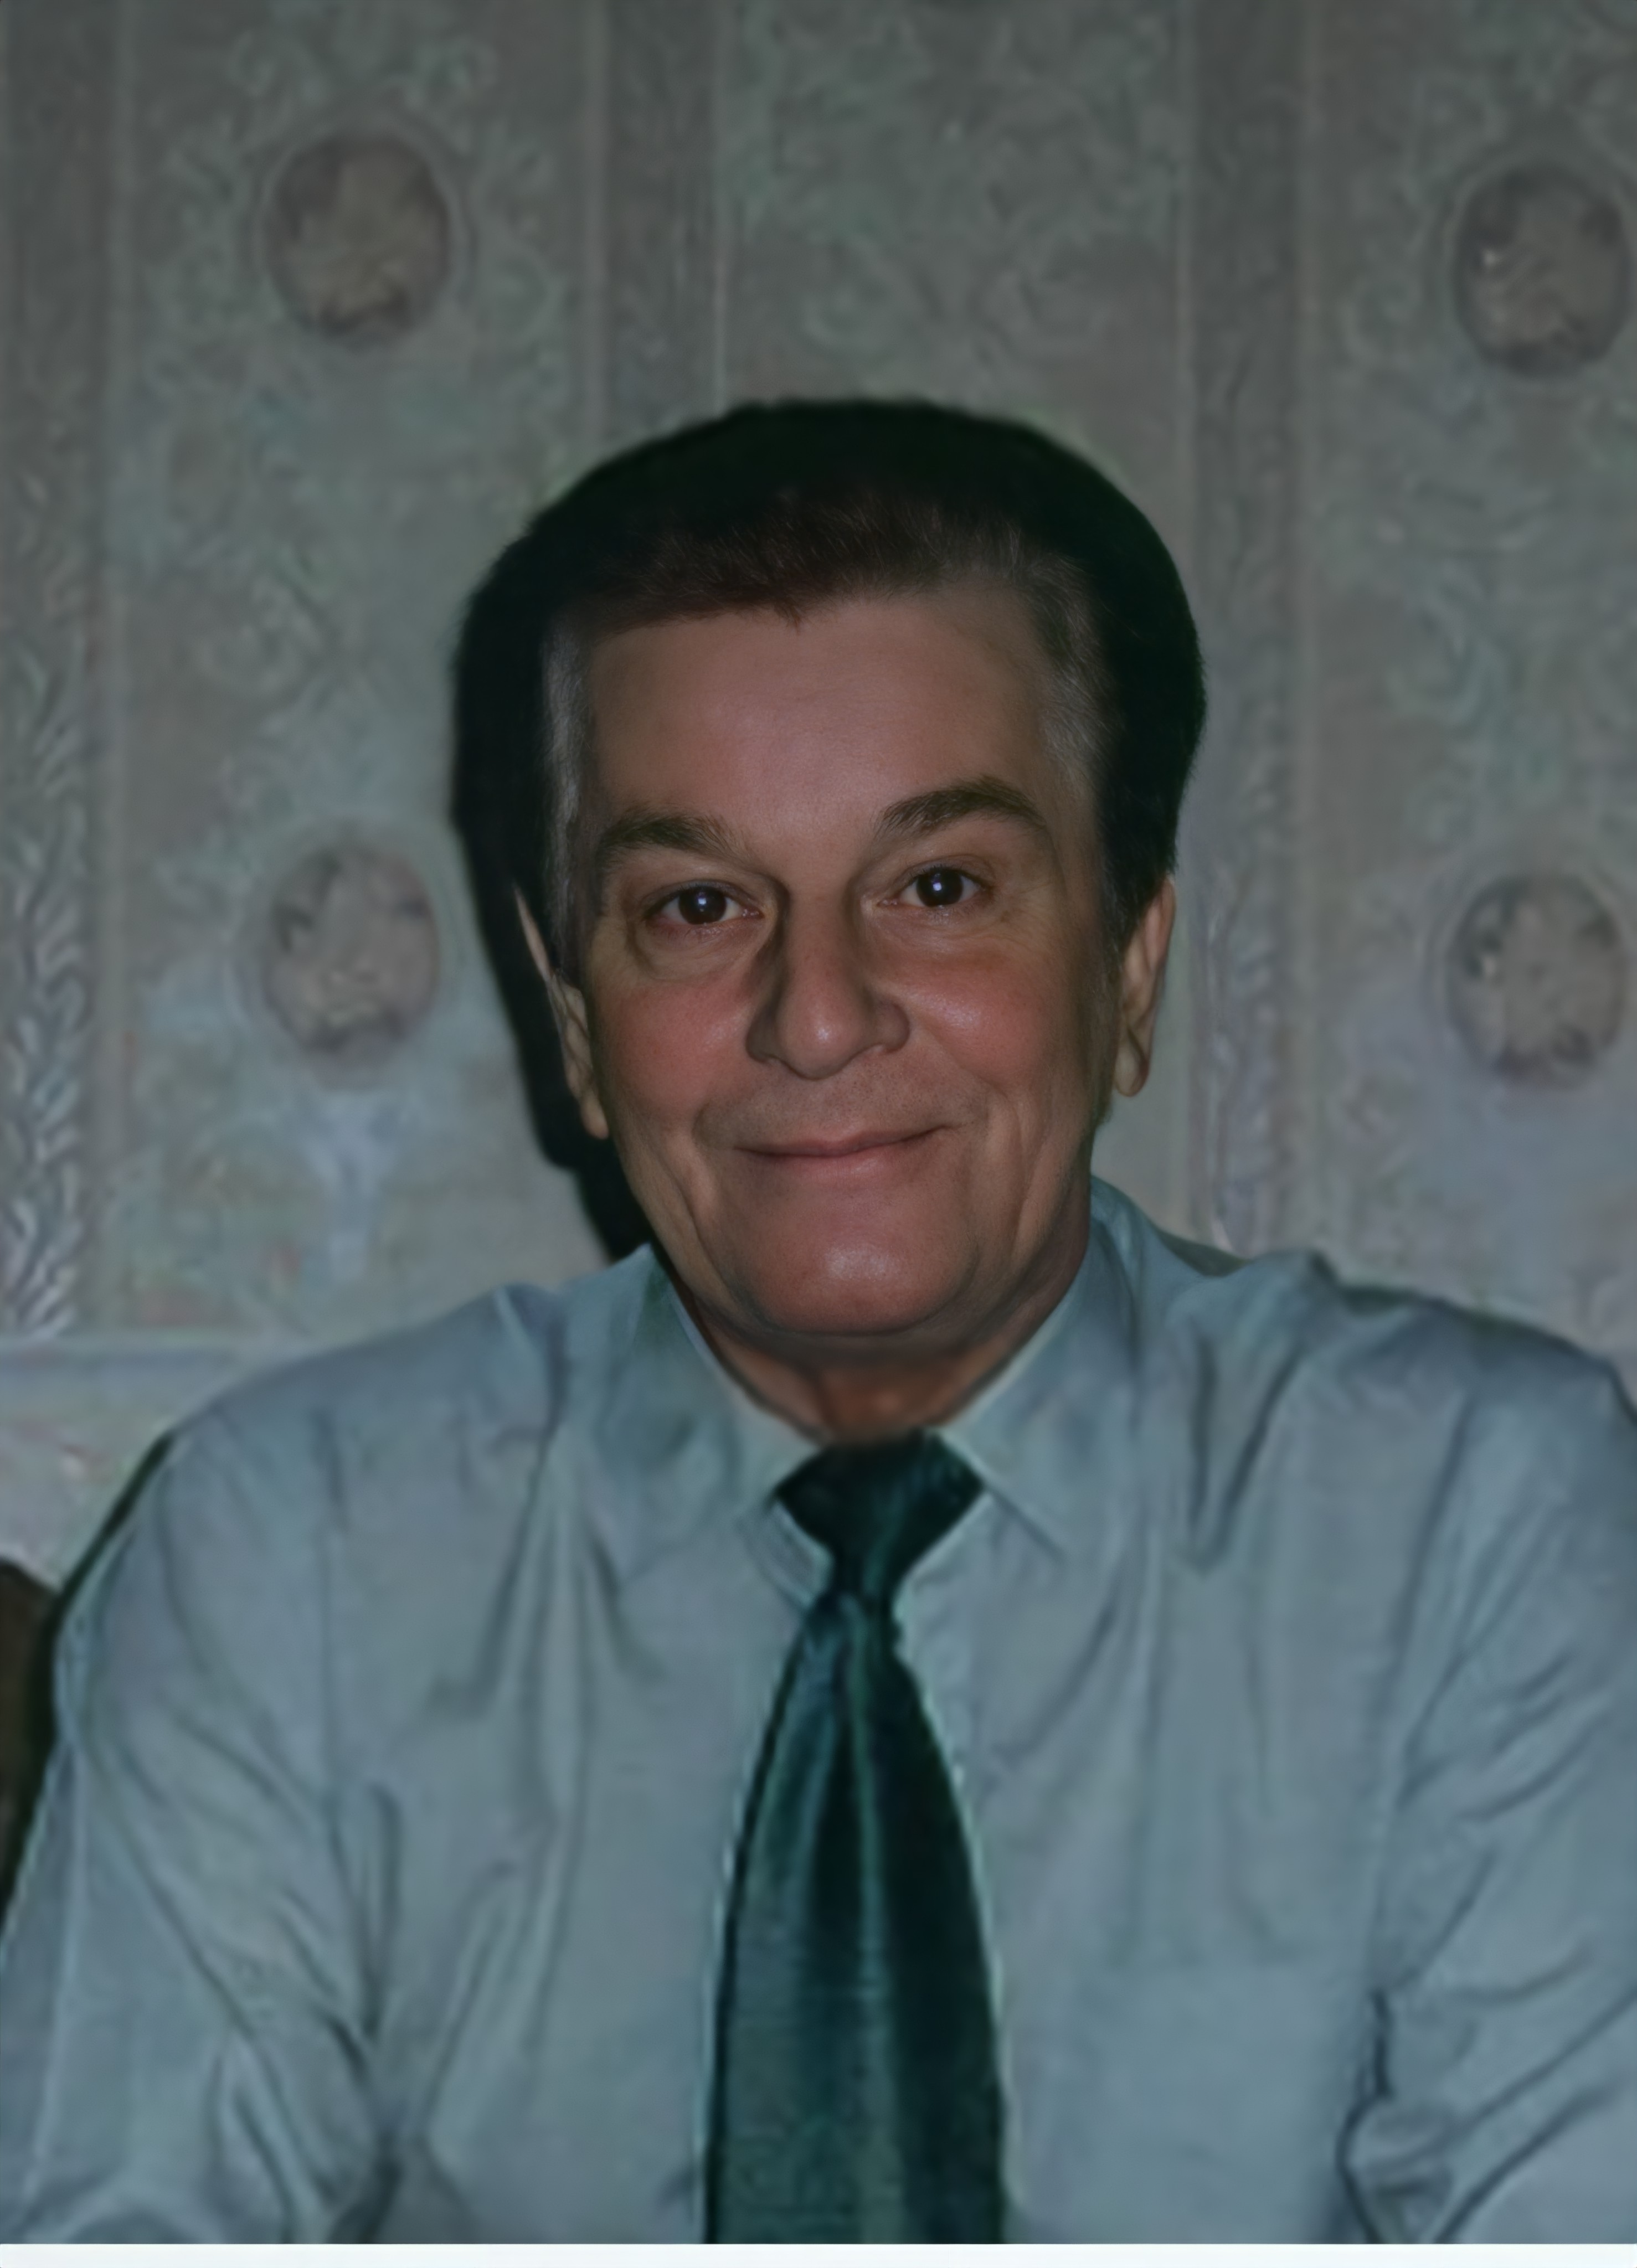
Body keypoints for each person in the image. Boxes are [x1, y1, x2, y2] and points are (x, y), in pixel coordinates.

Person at [2, 401, 1635, 2242]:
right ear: (573, 1021)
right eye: (697, 907)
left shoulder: (1476, 1522)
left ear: (1126, 966)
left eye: (937, 890)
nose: (817, 1014)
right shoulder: (282, 1559)